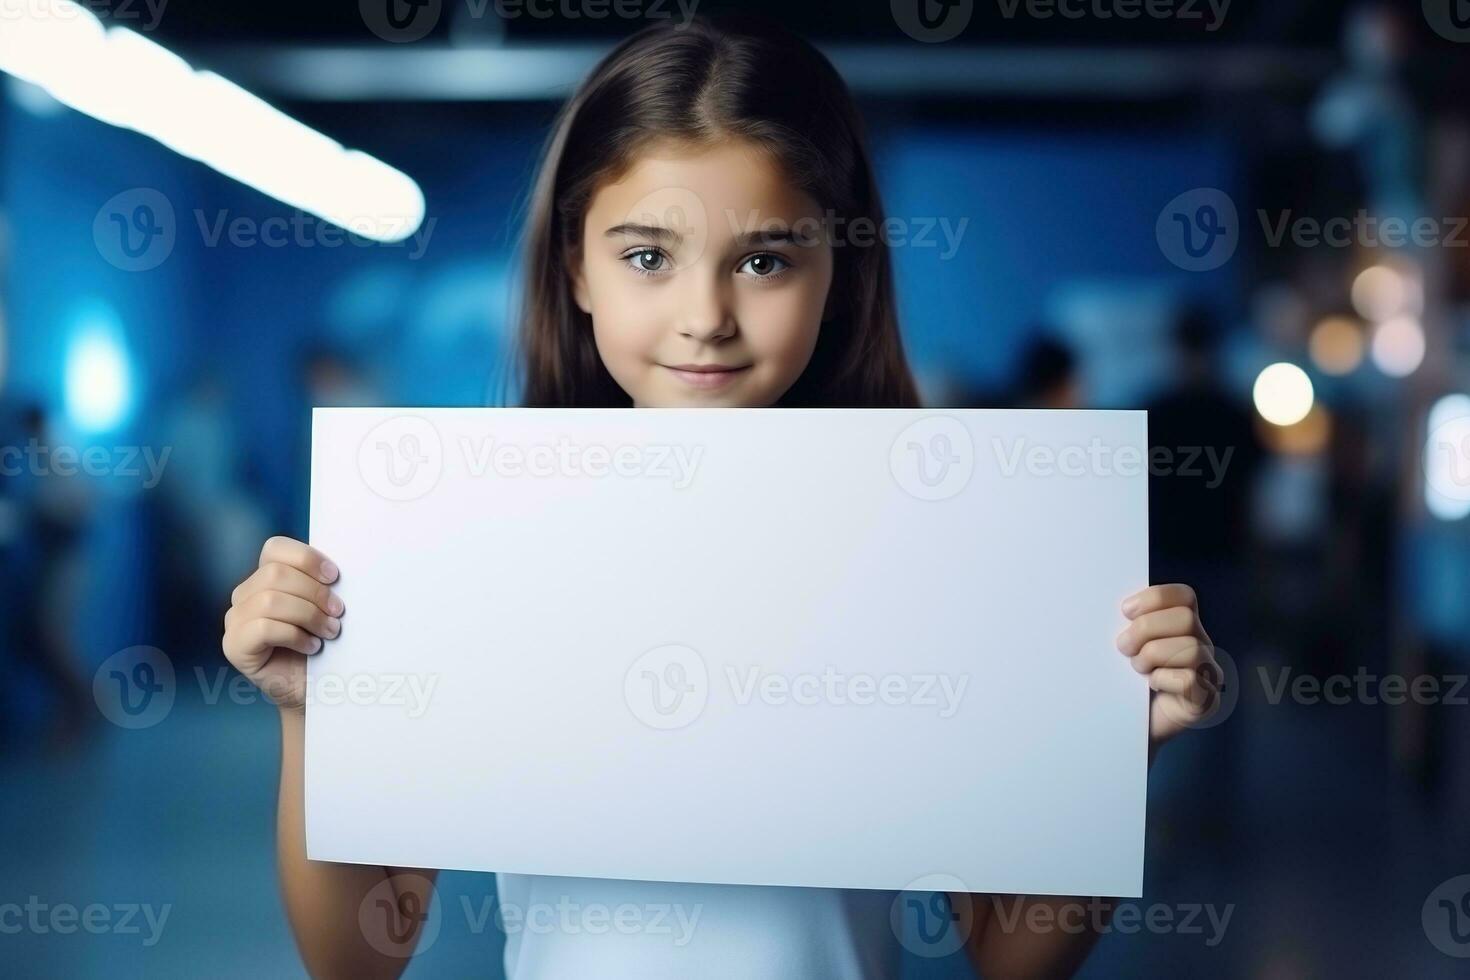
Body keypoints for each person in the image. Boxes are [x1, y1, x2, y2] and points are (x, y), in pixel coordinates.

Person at [220, 17, 1220, 979]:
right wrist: (312, 714)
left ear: (839, 267)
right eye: (647, 255)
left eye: (765, 259)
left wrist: (1104, 747)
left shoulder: (929, 545)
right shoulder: (474, 536)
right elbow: (357, 956)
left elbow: (1013, 954)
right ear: (577, 265)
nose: (706, 317)